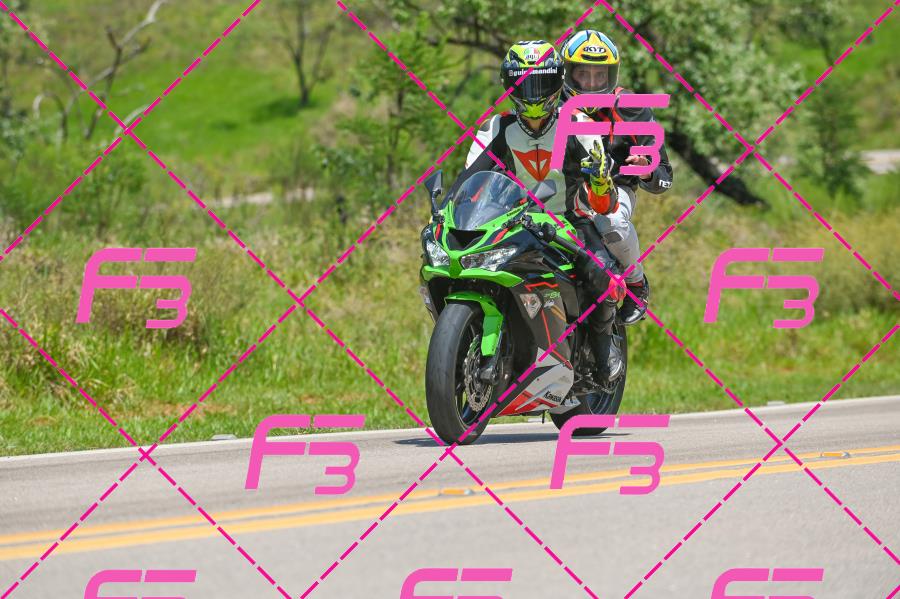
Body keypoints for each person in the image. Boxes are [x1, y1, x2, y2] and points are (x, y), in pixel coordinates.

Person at [448, 40, 625, 381]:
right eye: (523, 84)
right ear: (508, 85)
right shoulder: (495, 128)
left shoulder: (579, 124)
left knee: (601, 272)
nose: (532, 95)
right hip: (512, 222)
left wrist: (602, 182)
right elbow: (466, 181)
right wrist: (444, 212)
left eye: (540, 83)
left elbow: (606, 204)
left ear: (557, 82)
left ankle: (604, 348)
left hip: (569, 222)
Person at [560, 29, 674, 325]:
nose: (592, 84)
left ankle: (636, 283)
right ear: (567, 73)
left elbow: (665, 175)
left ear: (612, 76)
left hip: (613, 188)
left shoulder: (631, 106)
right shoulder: (550, 102)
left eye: (600, 76)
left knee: (610, 222)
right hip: (557, 188)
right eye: (583, 75)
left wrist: (647, 169)